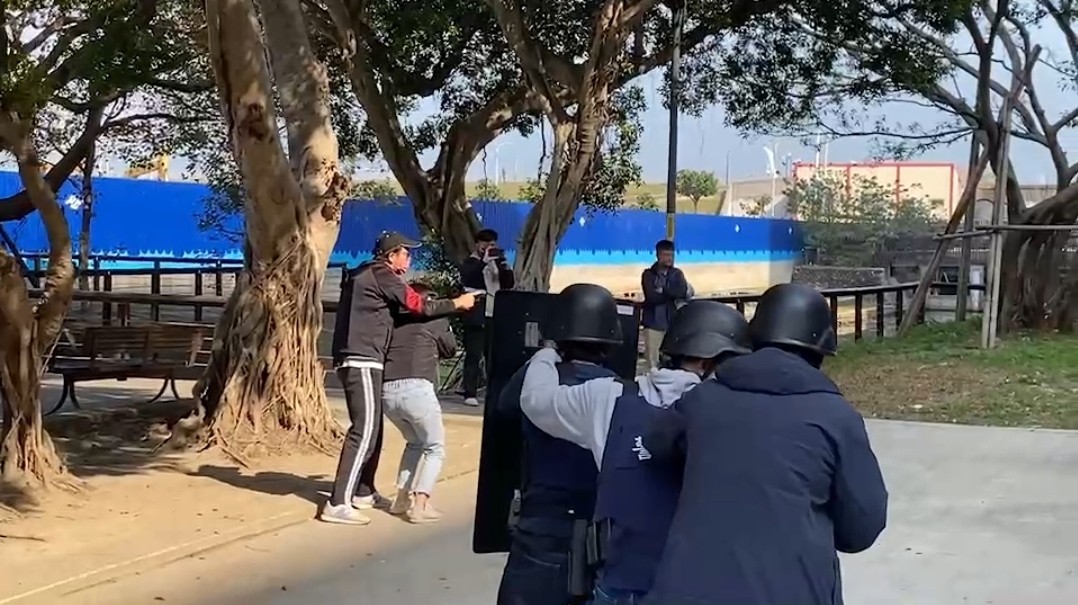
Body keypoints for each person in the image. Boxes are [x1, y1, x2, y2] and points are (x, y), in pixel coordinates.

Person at [642, 283, 889, 605]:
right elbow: (862, 527)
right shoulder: (836, 417)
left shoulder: (702, 399)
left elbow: (656, 445)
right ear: (820, 351)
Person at [519, 301, 752, 605]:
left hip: (618, 584)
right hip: (690, 589)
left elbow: (537, 400)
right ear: (708, 362)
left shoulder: (607, 396)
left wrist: (548, 353)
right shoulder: (732, 415)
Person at [322, 231, 477, 526]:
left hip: (365, 358)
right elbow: (419, 304)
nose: (409, 258)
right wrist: (457, 303)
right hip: (361, 357)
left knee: (374, 428)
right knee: (363, 430)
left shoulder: (367, 275)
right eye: (406, 253)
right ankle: (338, 502)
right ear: (391, 255)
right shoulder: (381, 273)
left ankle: (363, 491)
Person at [495, 283, 624, 605]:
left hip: (539, 527)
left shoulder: (537, 384)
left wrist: (542, 360)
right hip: (597, 532)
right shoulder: (620, 391)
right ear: (609, 344)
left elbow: (505, 407)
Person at [381, 282, 458, 525]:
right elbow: (450, 349)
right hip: (417, 388)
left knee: (414, 442)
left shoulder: (395, 322)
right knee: (435, 448)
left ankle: (401, 499)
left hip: (387, 391)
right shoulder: (435, 320)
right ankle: (420, 505)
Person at [459, 228, 515, 406]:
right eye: (485, 243)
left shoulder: (496, 262)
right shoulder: (470, 262)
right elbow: (469, 278)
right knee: (473, 355)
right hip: (476, 313)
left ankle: (494, 392)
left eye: (492, 244)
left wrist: (505, 266)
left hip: (494, 311)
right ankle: (470, 393)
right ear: (477, 244)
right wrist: (483, 261)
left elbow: (508, 284)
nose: (488, 247)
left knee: (493, 356)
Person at [640, 240, 690, 370]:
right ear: (658, 255)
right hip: (653, 325)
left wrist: (663, 290)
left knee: (673, 361)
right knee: (653, 363)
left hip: (672, 324)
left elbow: (682, 292)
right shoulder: (648, 274)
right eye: (666, 255)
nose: (670, 258)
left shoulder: (677, 274)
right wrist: (671, 293)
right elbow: (651, 297)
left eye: (672, 255)